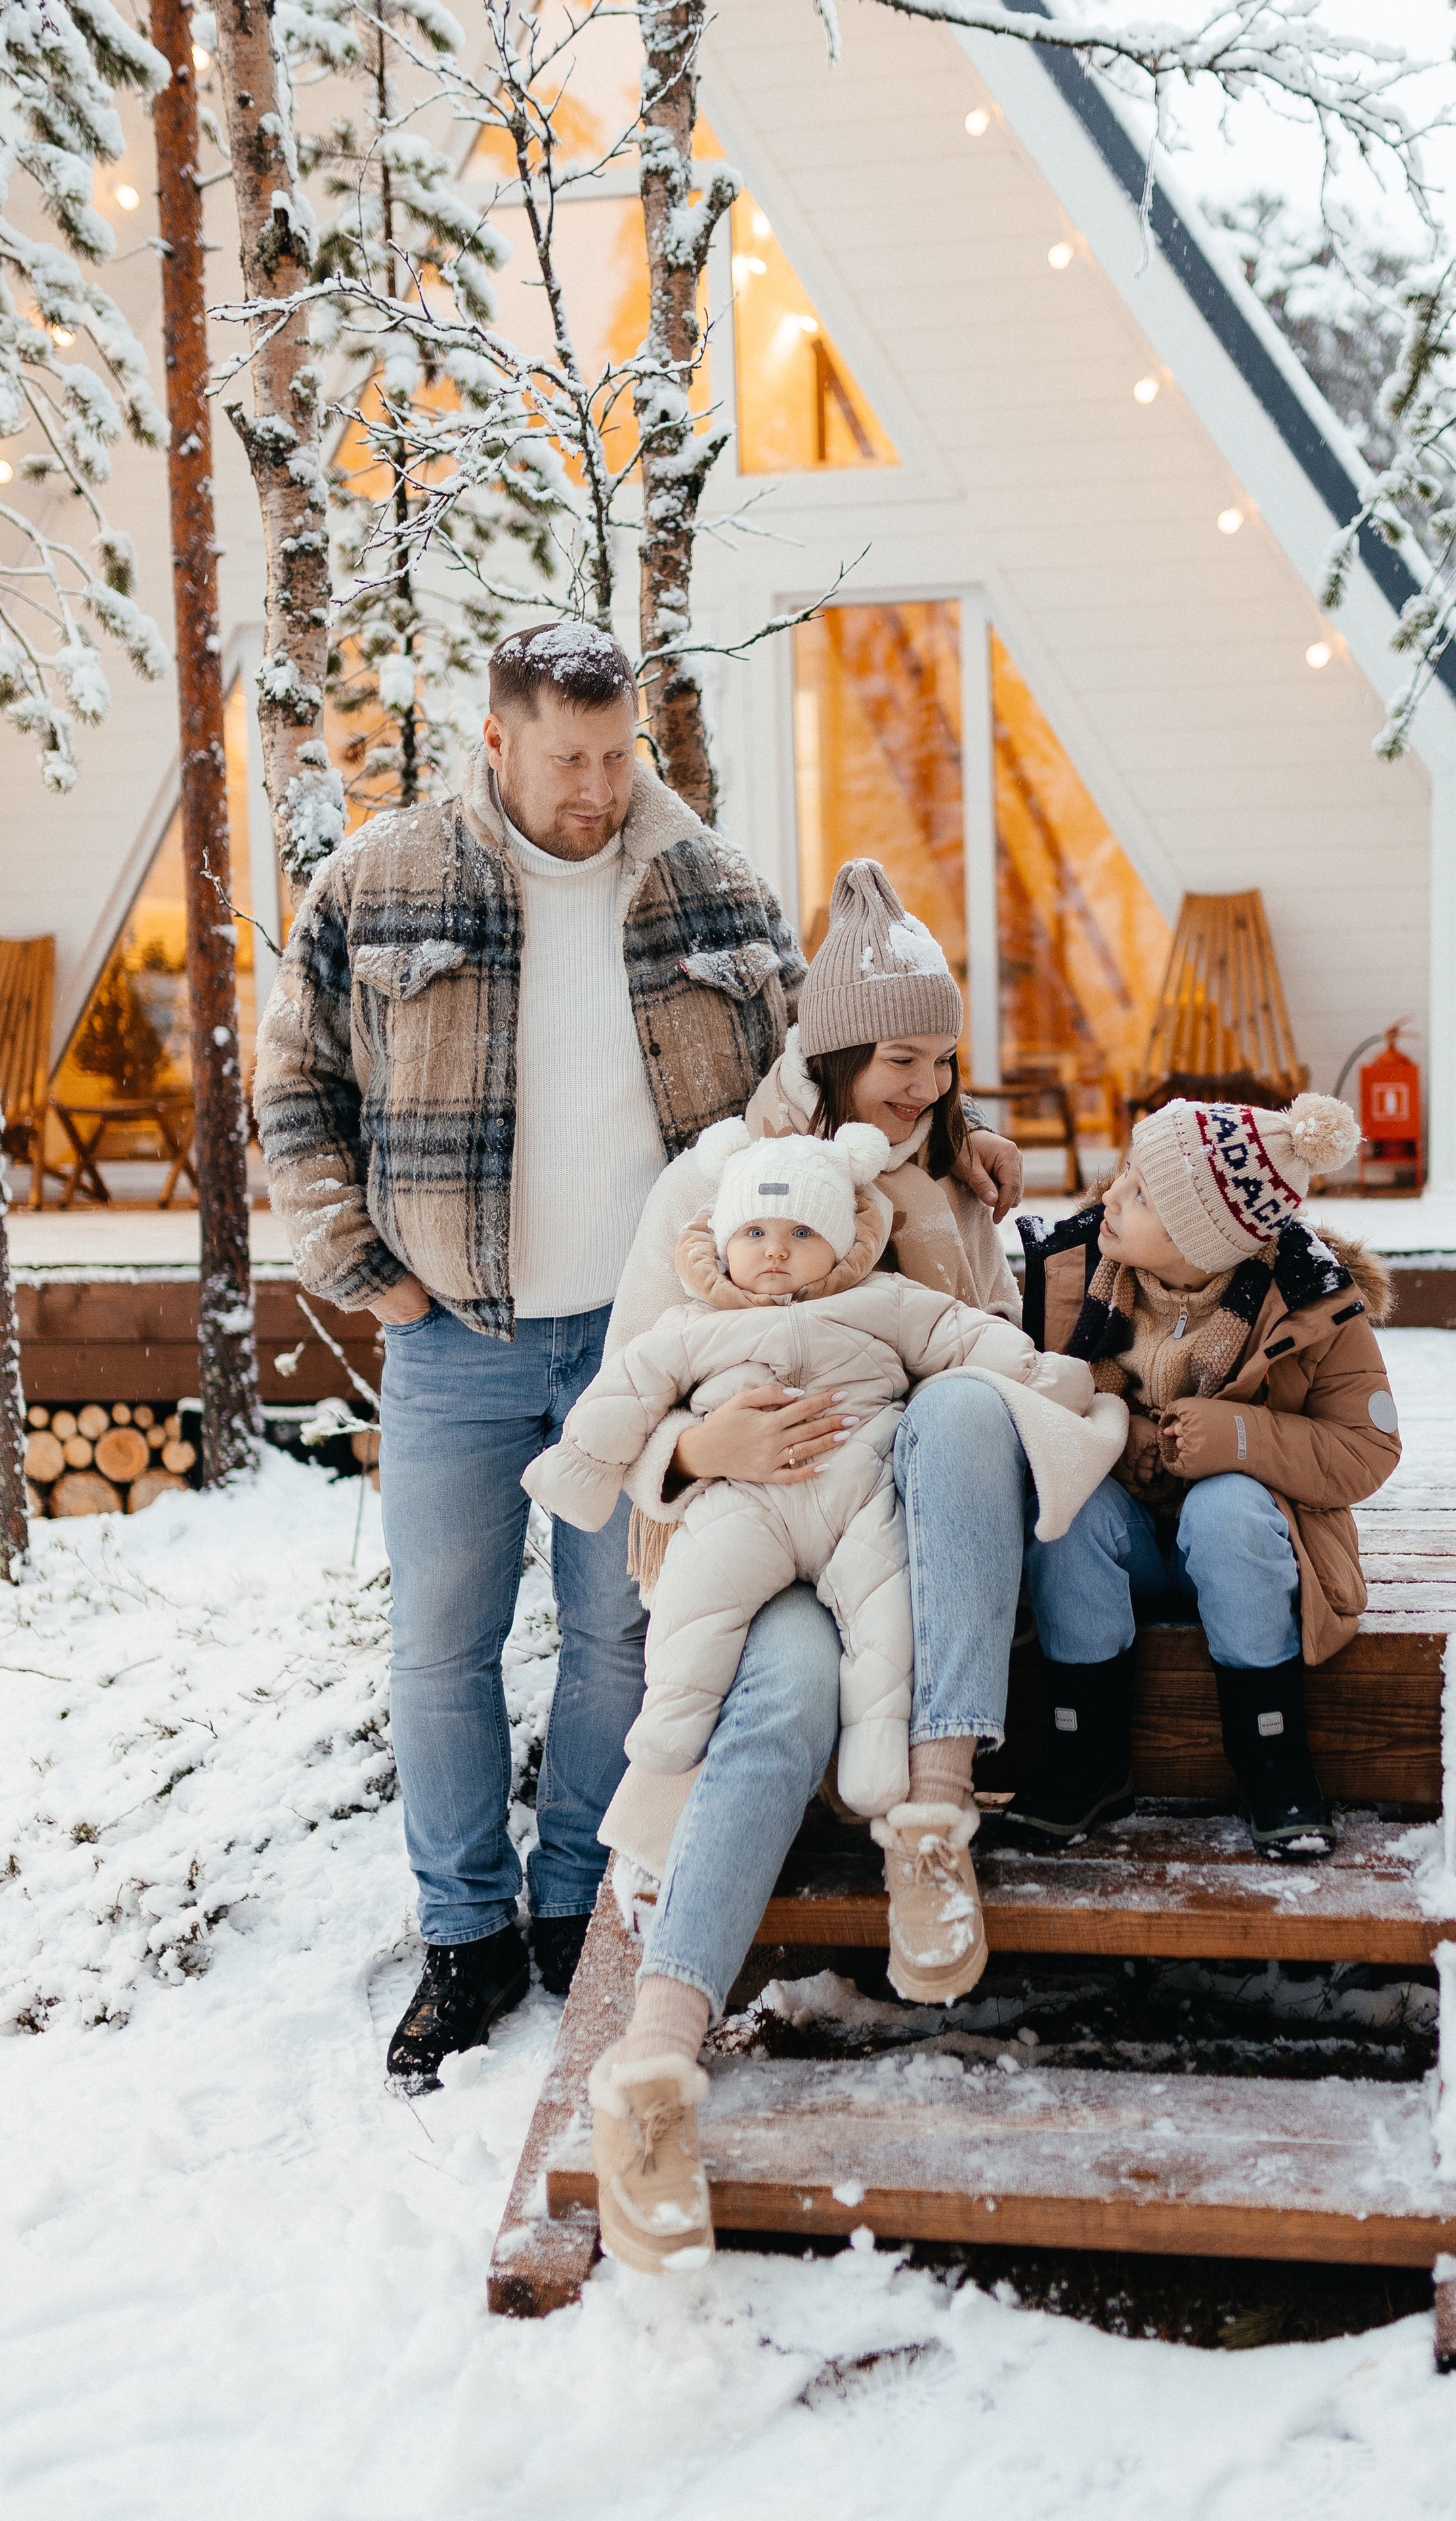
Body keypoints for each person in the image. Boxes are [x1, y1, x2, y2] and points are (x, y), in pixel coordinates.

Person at [253, 633, 1020, 2093]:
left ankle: (567, 1905)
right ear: (496, 741)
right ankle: (463, 1933)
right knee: (442, 1644)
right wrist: (370, 1276)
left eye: (618, 758)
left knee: (624, 1635)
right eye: (568, 759)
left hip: (662, 1342)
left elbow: (829, 1057)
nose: (599, 787)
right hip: (459, 1339)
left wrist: (952, 1123)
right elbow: (295, 1082)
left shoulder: (712, 887)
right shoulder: (379, 883)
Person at [571, 859, 1105, 2277]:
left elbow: (974, 1373)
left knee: (963, 1402)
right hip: (751, 1540)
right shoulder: (718, 1179)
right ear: (837, 1051)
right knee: (782, 1694)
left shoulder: (951, 1177)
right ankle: (652, 2074)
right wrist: (697, 1446)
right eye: (902, 1060)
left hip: (902, 1541)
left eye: (944, 1064)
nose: (925, 1088)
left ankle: (933, 1824)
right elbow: (629, 1387)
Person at [526, 1111, 1112, 1877]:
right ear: (720, 1242)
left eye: (803, 1234)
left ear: (842, 1241)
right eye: (756, 1234)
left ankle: (877, 1759)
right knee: (696, 1598)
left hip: (859, 1501)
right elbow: (627, 1389)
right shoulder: (691, 1323)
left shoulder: (883, 1299)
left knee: (887, 1619)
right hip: (745, 1504)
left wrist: (1039, 1376)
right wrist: (582, 1464)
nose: (776, 1250)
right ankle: (671, 1726)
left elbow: (966, 1336)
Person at [1015, 1089, 1402, 1855]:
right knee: (1067, 1510)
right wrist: (1110, 1430)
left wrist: (1240, 1436)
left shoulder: (1311, 1302)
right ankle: (1085, 1755)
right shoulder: (1075, 1273)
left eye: (1142, 1194)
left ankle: (1271, 1756)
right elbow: (1028, 1397)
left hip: (1249, 1550)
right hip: (1122, 1545)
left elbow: (1367, 1448)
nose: (1111, 1197)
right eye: (1124, 1176)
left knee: (1226, 1505)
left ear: (1207, 1241)